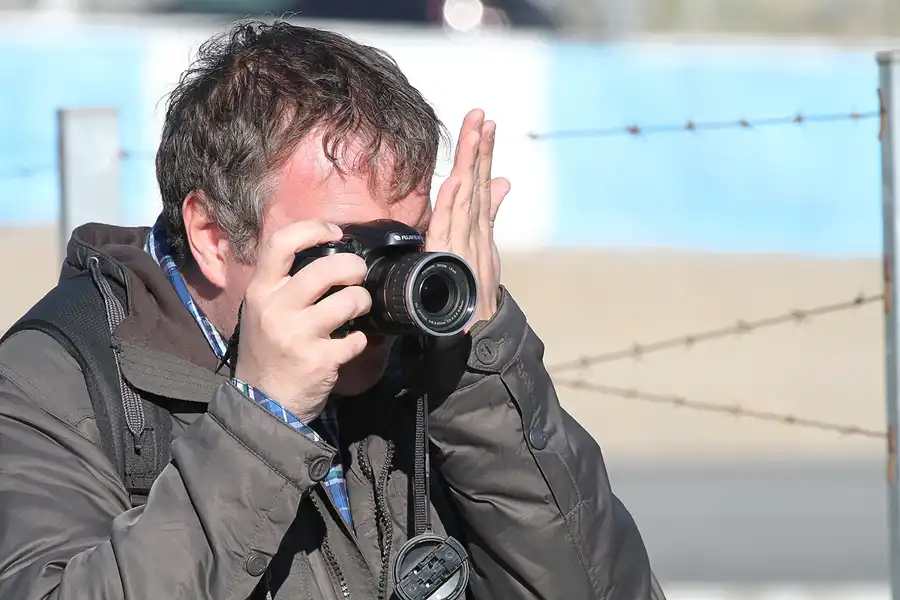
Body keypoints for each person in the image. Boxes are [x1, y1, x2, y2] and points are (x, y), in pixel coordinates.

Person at [0, 20, 665, 600]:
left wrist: (477, 367)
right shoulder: (55, 384)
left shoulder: (426, 369)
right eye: (342, 247)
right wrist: (260, 421)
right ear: (211, 234)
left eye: (403, 244)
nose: (378, 286)